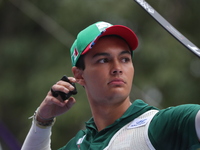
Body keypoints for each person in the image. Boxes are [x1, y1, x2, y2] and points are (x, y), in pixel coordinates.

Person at [21, 21, 200, 150]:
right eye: (104, 60)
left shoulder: (159, 125)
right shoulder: (79, 144)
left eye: (124, 59)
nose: (117, 68)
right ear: (79, 75)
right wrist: (42, 121)